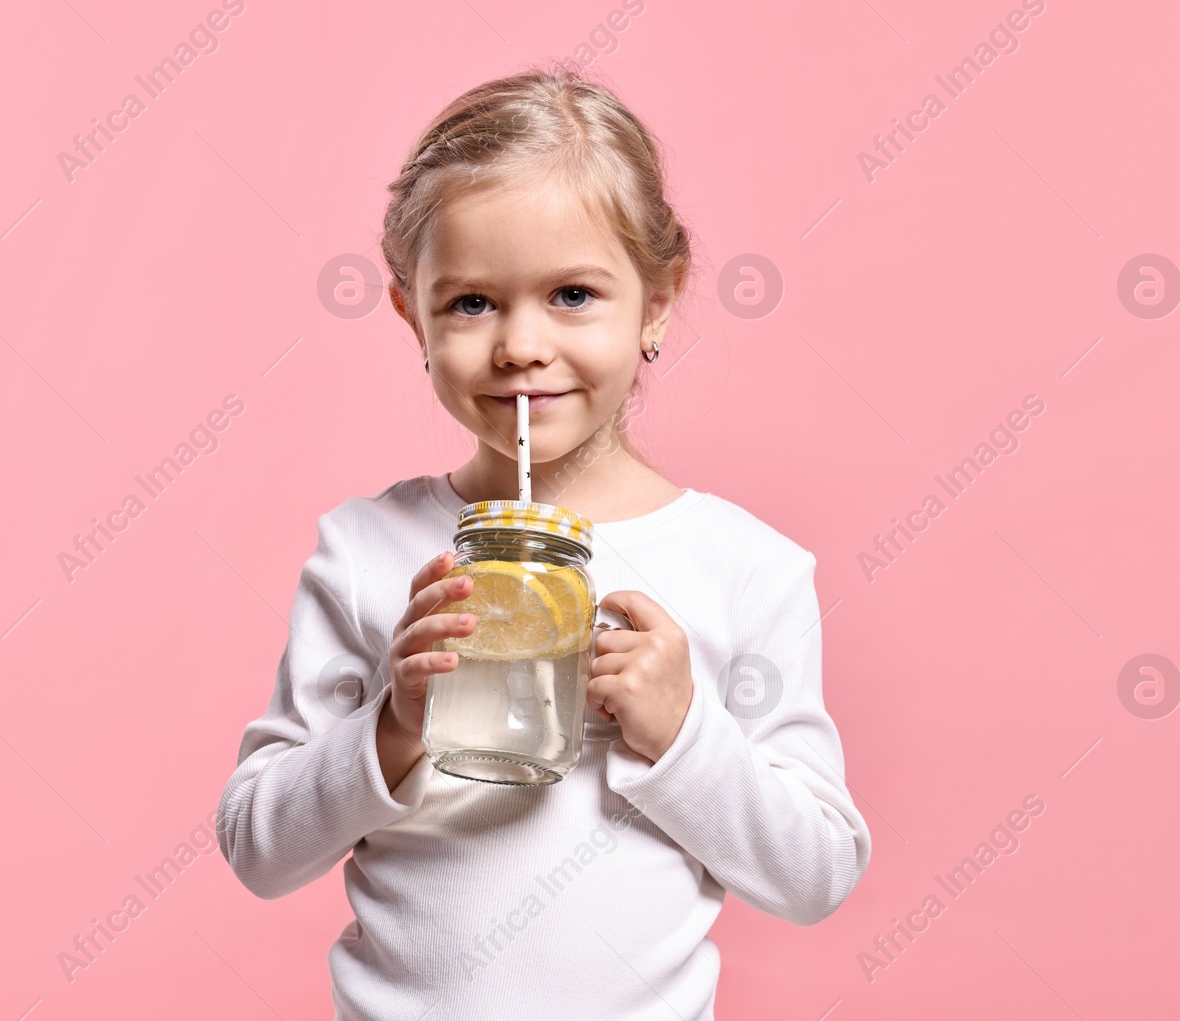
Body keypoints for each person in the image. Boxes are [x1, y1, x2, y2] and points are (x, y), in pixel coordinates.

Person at [216, 64, 870, 1021]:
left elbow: (816, 874)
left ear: (657, 300)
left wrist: (684, 732)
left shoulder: (748, 568)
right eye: (472, 303)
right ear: (414, 316)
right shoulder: (366, 551)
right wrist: (392, 722)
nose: (521, 344)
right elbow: (256, 849)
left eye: (572, 294)